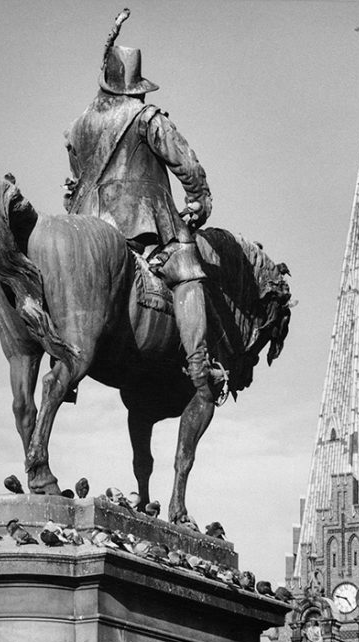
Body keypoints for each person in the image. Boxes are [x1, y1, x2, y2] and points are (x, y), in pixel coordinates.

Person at [64, 11, 219, 409]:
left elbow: (77, 174)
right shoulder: (146, 117)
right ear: (134, 87)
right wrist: (198, 199)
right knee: (189, 272)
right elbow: (185, 162)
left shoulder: (79, 125)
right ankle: (200, 365)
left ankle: (65, 369)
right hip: (139, 223)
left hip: (87, 223)